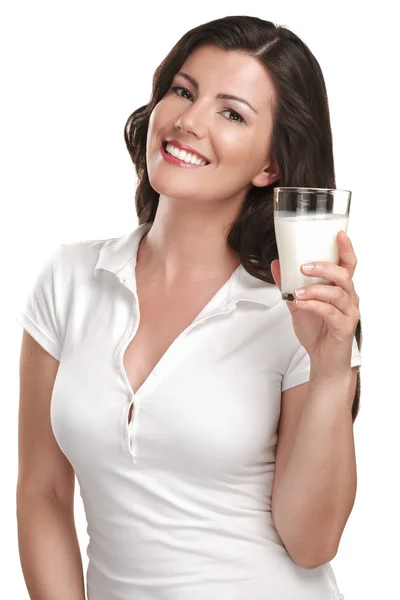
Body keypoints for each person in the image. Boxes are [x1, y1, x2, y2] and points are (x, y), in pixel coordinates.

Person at [16, 15, 362, 600]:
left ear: (270, 166)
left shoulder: (300, 312)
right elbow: (42, 494)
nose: (187, 122)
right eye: (182, 90)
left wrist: (330, 373)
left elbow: (312, 542)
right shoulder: (71, 280)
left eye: (231, 113)